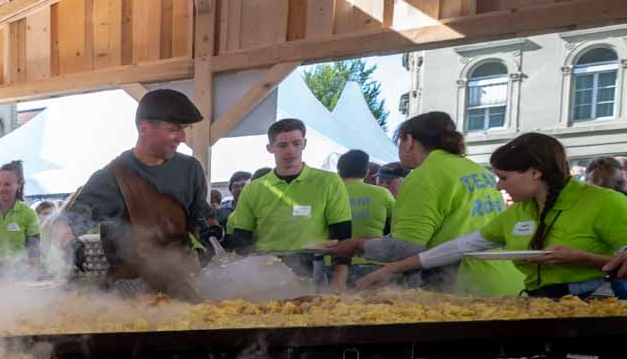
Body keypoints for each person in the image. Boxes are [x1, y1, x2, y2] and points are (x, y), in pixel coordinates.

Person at [359, 133, 627, 299]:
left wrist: (583, 259)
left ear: (535, 172)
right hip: (537, 304)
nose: (499, 186)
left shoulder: (605, 203)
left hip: (589, 304)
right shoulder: (521, 211)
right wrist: (392, 268)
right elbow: (461, 246)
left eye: (504, 177)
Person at [330, 112, 520, 296]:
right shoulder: (479, 171)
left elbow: (404, 247)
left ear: (409, 141)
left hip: (462, 287)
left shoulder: (425, 176)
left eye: (399, 142)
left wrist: (358, 244)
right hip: (505, 279)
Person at [54, 89, 215, 297]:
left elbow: (200, 214)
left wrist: (211, 232)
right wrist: (67, 237)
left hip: (183, 282)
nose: (183, 138)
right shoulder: (110, 178)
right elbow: (69, 222)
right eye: (174, 129)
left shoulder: (191, 169)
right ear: (144, 129)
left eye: (184, 129)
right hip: (131, 291)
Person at [223, 118, 353, 288]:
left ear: (304, 144)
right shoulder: (253, 189)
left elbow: (342, 238)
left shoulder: (329, 182)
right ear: (270, 148)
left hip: (313, 268)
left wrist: (339, 280)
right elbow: (241, 241)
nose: (290, 151)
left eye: (296, 143)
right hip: (265, 269)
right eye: (282, 145)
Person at [338, 148, 395, 277]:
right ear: (367, 171)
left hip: (334, 262)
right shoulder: (383, 194)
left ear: (339, 170)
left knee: (329, 297)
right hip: (372, 262)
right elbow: (398, 226)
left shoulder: (330, 193)